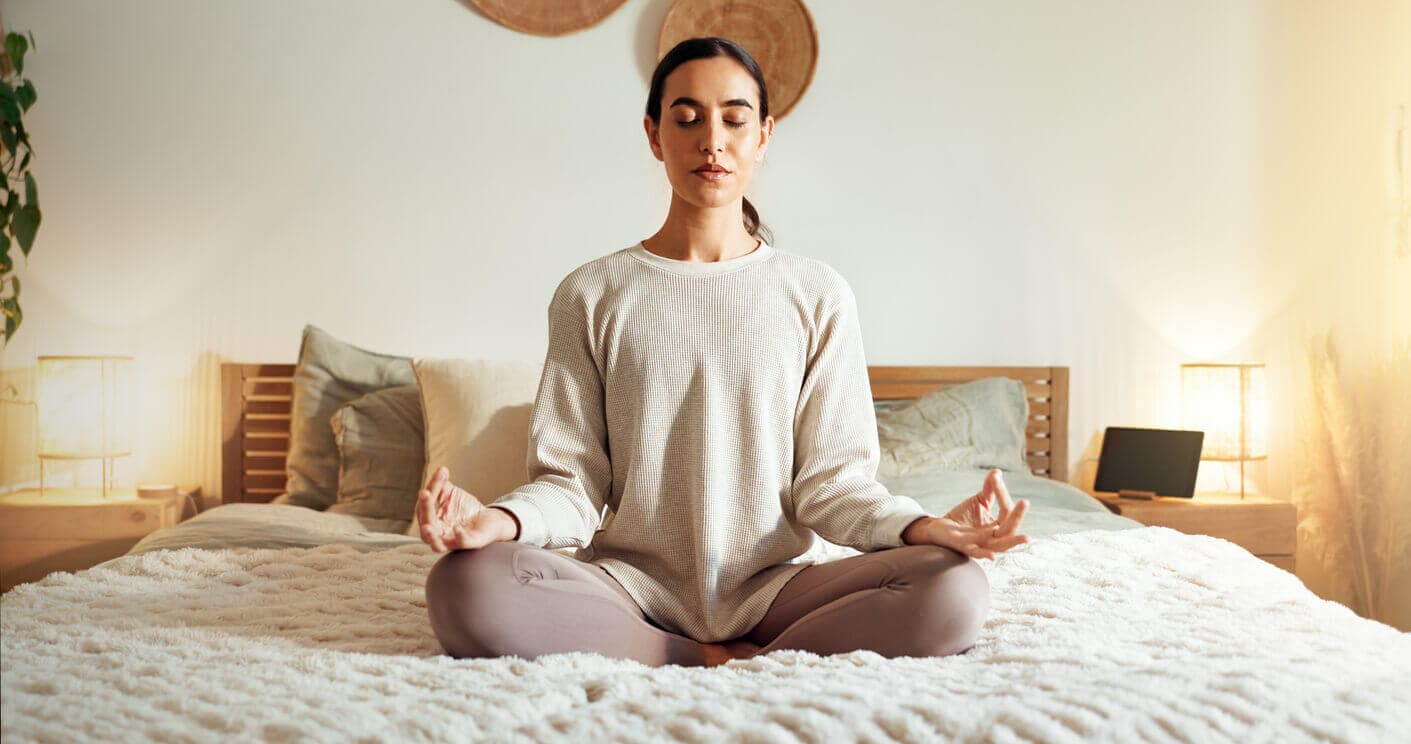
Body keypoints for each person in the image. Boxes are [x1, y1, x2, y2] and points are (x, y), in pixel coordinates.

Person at [420, 37, 1031, 668]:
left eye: (734, 119)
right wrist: (498, 522)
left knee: (955, 586)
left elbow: (834, 486)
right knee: (464, 585)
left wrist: (924, 528)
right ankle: (702, 653)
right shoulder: (591, 292)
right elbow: (572, 486)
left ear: (763, 134)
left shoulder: (817, 294)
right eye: (687, 119)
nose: (712, 139)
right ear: (654, 135)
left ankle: (706, 651)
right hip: (631, 587)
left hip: (777, 588)